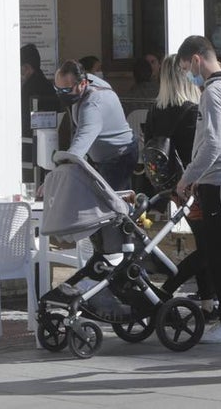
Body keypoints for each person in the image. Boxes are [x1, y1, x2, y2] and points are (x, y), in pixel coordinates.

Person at [173, 35, 221, 344]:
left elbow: (214, 144)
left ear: (196, 59)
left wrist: (187, 177)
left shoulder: (214, 92)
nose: (187, 76)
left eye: (185, 68)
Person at [144, 55, 210, 302]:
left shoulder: (155, 110)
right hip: (195, 186)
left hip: (172, 186)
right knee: (208, 249)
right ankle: (165, 290)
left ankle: (206, 302)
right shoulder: (192, 111)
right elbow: (199, 150)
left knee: (203, 244)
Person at [54, 59, 137, 190]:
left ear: (82, 84)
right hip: (107, 155)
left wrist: (56, 177)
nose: (60, 94)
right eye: (57, 89)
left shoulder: (92, 105)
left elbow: (79, 146)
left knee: (113, 206)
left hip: (117, 157)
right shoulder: (88, 81)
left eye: (65, 91)